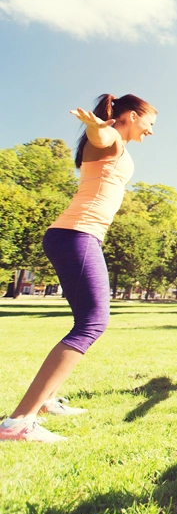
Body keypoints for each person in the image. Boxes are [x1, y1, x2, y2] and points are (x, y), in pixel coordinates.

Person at [1, 94, 157, 443]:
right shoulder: (109, 137)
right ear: (132, 116)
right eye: (150, 123)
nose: (152, 131)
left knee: (86, 321)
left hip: (76, 236)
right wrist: (94, 128)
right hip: (77, 236)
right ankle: (18, 422)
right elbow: (103, 137)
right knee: (93, 322)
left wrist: (97, 129)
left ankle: (44, 403)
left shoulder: (116, 142)